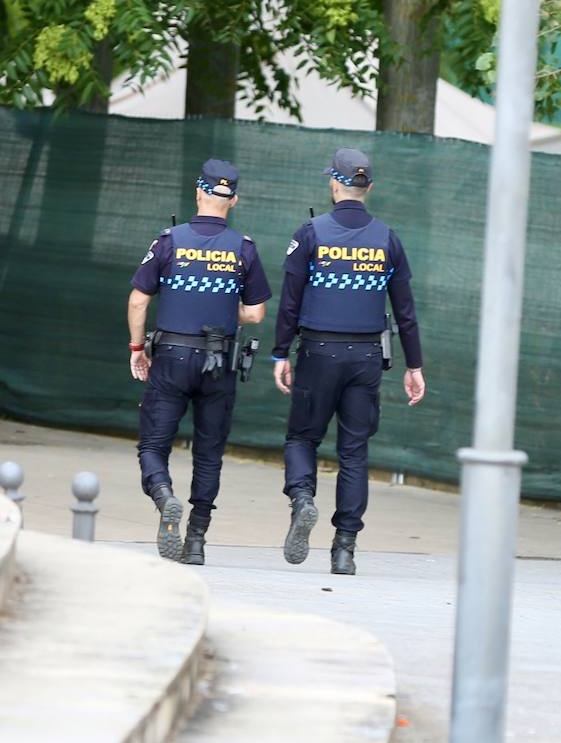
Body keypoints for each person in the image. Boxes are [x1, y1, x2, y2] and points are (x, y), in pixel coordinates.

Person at [272, 147, 425, 575]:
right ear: (368, 188)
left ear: (334, 184)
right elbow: (406, 311)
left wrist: (281, 352)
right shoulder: (388, 238)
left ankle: (303, 499)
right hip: (366, 356)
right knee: (354, 453)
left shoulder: (310, 233)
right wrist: (414, 366)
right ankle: (344, 549)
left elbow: (290, 303)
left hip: (318, 351)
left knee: (302, 437)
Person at [128, 158, 271, 564]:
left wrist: (138, 349)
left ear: (198, 192)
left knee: (153, 445)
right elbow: (256, 312)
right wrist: (226, 307)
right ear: (234, 200)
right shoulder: (244, 248)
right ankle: (196, 540)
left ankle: (163, 495)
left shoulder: (169, 241)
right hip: (219, 359)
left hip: (171, 355)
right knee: (209, 453)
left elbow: (139, 298)